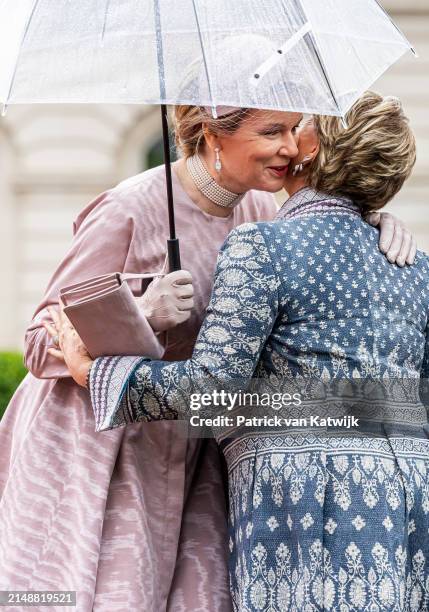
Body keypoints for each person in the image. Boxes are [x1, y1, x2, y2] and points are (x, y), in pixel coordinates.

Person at [54, 92, 428, 611]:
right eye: (277, 130)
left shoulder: (265, 244)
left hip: (302, 498)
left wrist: (100, 371)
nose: (290, 139)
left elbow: (213, 390)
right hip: (408, 498)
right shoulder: (415, 267)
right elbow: (408, 403)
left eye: (300, 130)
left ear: (314, 153)